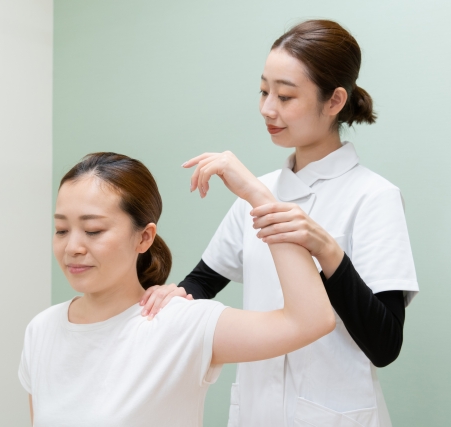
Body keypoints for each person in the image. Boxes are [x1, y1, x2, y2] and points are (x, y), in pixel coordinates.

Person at [139, 19, 419, 427]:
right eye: (263, 91)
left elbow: (385, 345)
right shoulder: (259, 191)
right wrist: (173, 296)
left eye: (285, 96)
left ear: (335, 101)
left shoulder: (374, 196)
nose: (268, 109)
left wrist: (326, 249)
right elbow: (201, 283)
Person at [18, 152, 336, 426]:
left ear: (144, 237)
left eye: (93, 230)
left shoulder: (179, 324)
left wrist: (260, 196)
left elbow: (311, 320)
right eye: (61, 229)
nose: (72, 247)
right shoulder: (42, 329)